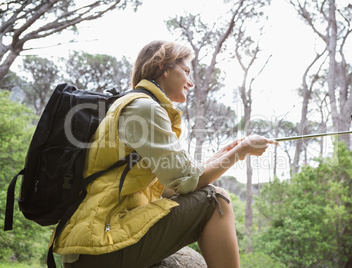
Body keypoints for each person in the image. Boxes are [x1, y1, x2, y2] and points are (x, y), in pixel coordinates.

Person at [54, 40, 277, 268]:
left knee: (206, 195)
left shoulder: (134, 105)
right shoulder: (144, 108)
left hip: (91, 244)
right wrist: (241, 151)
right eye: (186, 72)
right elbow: (187, 183)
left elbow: (170, 188)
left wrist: (225, 154)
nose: (190, 83)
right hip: (100, 244)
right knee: (215, 199)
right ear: (163, 67)